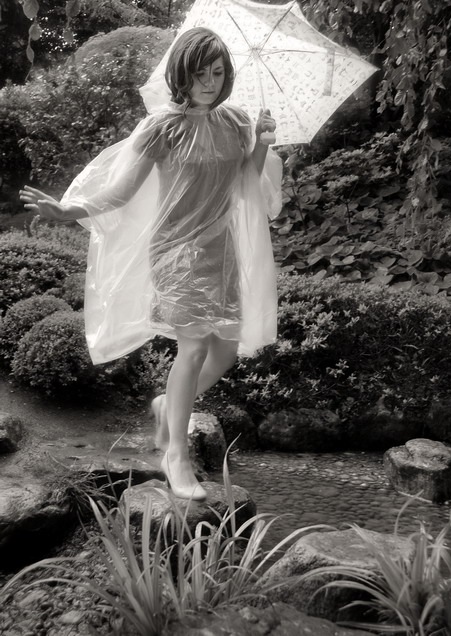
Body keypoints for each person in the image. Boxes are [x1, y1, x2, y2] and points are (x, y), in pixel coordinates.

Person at [20, 27, 281, 502]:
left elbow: (245, 182)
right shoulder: (162, 127)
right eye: (199, 73)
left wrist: (261, 141)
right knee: (194, 348)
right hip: (176, 251)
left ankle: (167, 404)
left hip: (222, 251)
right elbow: (120, 191)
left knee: (225, 352)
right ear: (181, 74)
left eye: (217, 72)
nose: (209, 83)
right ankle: (175, 454)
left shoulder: (236, 121)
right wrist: (68, 209)